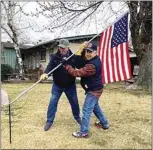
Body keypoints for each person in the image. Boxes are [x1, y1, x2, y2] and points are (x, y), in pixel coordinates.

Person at [64, 42, 109, 138]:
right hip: (95, 88)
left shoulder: (92, 65)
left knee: (86, 110)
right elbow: (81, 60)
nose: (87, 53)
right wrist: (80, 50)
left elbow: (77, 73)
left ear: (96, 52)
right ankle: (104, 124)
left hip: (94, 90)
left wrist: (68, 67)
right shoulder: (92, 59)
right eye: (87, 51)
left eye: (90, 51)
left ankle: (84, 132)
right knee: (95, 108)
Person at [40, 39, 81, 131]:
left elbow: (80, 65)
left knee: (74, 102)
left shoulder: (73, 57)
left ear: (68, 47)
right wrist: (46, 73)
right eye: (60, 47)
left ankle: (77, 117)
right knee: (53, 102)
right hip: (57, 85)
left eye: (63, 48)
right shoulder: (55, 57)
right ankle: (49, 121)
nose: (61, 49)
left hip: (70, 85)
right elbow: (50, 67)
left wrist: (81, 55)